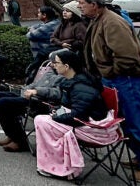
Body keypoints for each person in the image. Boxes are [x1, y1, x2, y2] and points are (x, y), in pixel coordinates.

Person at [77, 0, 140, 184]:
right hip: (115, 78)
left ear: (95, 4)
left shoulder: (112, 22)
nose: (79, 6)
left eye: (81, 3)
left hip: (125, 79)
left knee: (136, 122)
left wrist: (110, 71)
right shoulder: (99, 20)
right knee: (124, 121)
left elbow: (126, 56)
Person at [33, 49, 113, 179]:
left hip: (91, 126)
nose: (53, 65)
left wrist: (56, 116)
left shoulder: (81, 86)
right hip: (82, 118)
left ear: (66, 66)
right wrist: (57, 112)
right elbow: (68, 107)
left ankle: (60, 165)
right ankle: (55, 162)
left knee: (41, 120)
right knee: (42, 119)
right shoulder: (71, 81)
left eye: (56, 62)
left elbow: (79, 115)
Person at [0, 50, 65, 153]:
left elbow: (57, 93)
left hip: (42, 102)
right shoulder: (50, 72)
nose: (52, 64)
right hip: (31, 97)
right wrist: (25, 90)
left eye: (55, 62)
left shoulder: (64, 76)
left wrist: (37, 91)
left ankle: (20, 142)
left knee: (4, 102)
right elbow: (35, 84)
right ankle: (12, 134)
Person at [27, 6, 61, 71]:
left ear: (44, 15)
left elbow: (30, 35)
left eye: (39, 13)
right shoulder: (51, 22)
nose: (37, 14)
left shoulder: (49, 25)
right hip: (43, 51)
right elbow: (33, 26)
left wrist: (32, 30)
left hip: (44, 51)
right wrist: (33, 29)